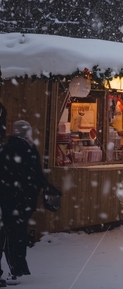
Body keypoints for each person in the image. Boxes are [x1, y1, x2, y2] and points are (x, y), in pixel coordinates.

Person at [0, 116, 50, 286]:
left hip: (11, 199)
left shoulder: (7, 149)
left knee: (10, 234)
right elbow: (35, 172)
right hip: (22, 199)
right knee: (14, 235)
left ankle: (12, 270)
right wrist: (44, 187)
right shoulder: (27, 149)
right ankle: (13, 269)